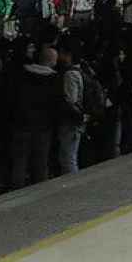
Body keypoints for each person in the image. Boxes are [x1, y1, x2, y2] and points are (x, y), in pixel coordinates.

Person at [12, 45, 60, 187]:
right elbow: (56, 105)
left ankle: (16, 193)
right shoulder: (54, 79)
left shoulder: (22, 74)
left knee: (19, 163)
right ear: (52, 61)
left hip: (21, 125)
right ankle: (39, 194)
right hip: (43, 128)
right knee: (40, 164)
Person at [55, 39, 85, 174]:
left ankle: (71, 187)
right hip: (77, 120)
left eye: (61, 53)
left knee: (68, 158)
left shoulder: (70, 74)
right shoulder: (82, 69)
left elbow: (71, 101)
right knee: (70, 156)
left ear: (68, 55)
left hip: (71, 123)